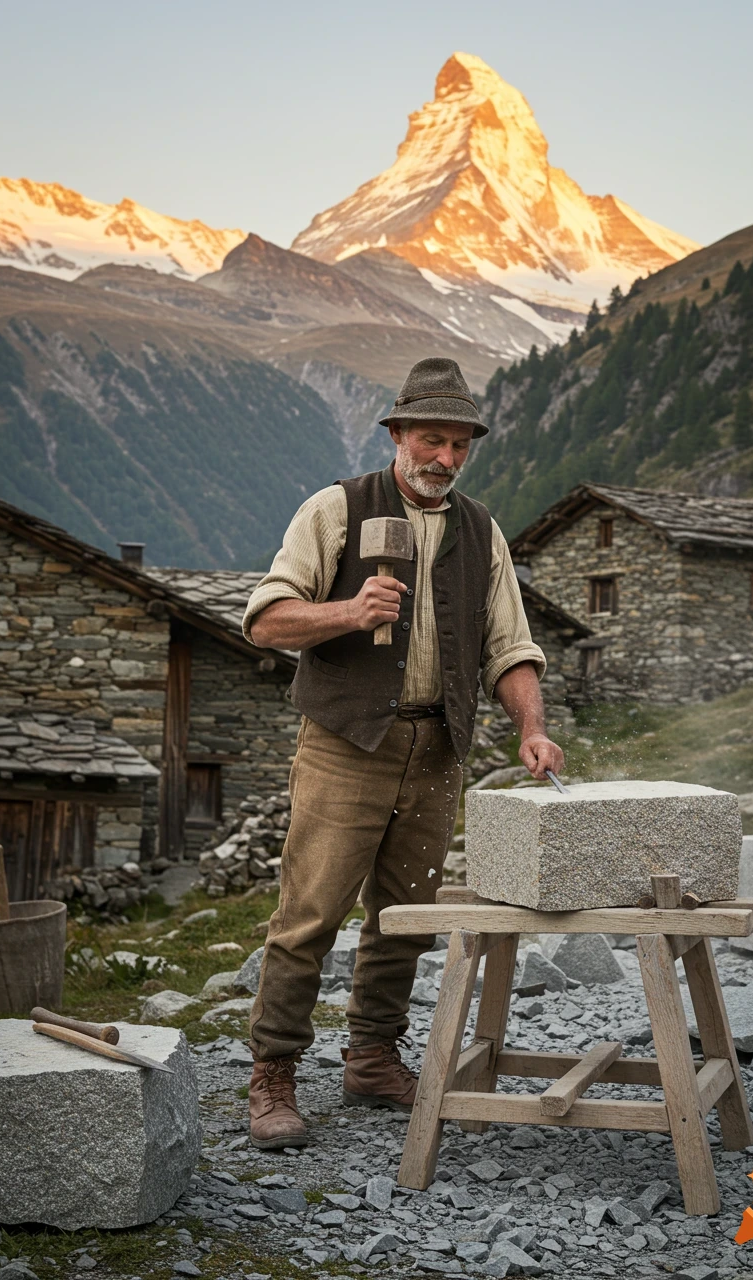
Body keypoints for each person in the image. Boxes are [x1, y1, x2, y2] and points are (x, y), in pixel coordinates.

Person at [242, 356, 564, 1149]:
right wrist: (349, 611)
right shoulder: (336, 510)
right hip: (347, 740)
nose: (446, 459)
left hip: (436, 747)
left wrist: (530, 726)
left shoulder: (480, 530)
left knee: (405, 919)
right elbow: (266, 620)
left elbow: (510, 647)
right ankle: (273, 1074)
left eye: (460, 446)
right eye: (432, 440)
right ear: (396, 435)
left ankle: (372, 1059)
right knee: (309, 915)